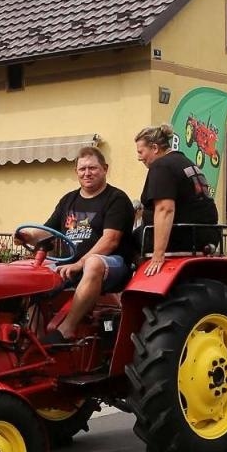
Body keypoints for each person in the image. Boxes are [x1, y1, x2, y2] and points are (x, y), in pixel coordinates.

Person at [32, 146, 134, 345]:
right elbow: (47, 230)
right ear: (76, 172)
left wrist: (80, 263)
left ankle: (67, 328)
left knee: (93, 263)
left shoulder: (116, 199)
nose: (87, 173)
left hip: (113, 264)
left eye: (93, 168)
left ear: (105, 168)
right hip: (71, 263)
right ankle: (33, 336)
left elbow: (110, 240)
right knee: (29, 272)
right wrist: (25, 235)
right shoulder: (69, 200)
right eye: (82, 169)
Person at [133, 124, 220, 277]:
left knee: (123, 241)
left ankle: (128, 288)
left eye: (141, 151)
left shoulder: (161, 166)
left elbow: (165, 209)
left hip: (181, 237)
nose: (139, 157)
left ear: (154, 148)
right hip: (207, 235)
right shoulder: (186, 162)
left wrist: (158, 255)